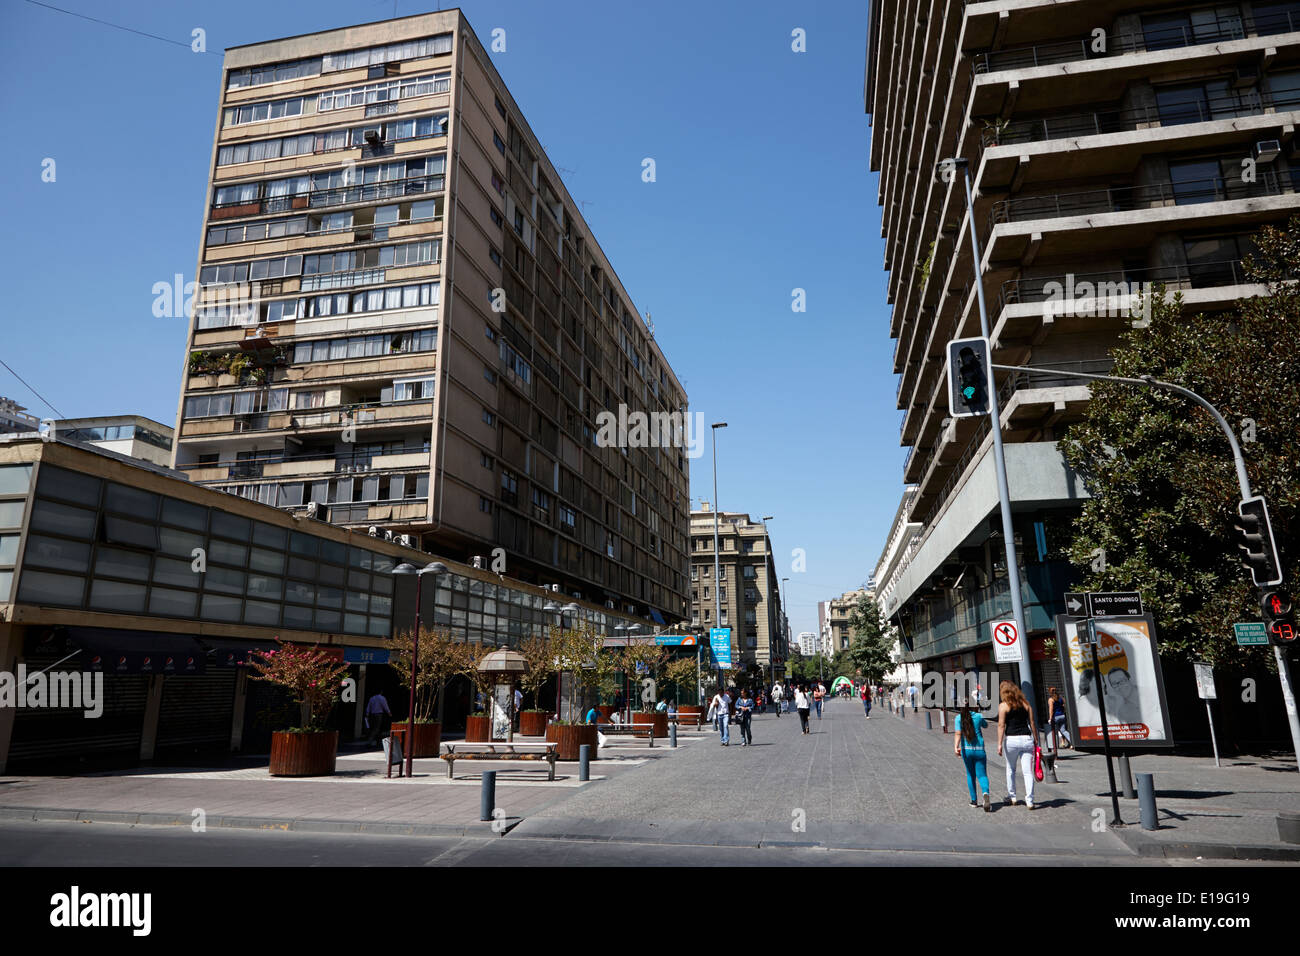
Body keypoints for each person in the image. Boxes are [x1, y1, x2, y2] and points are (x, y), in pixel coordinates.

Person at [997, 680, 1041, 809]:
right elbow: (1032, 723)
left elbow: (1001, 725)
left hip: (1011, 740)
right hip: (1027, 739)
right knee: (1027, 772)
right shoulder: (1026, 704)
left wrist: (999, 743)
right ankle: (1030, 800)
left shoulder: (1003, 706)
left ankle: (1013, 796)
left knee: (1011, 769)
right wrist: (1036, 739)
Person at [954, 700, 992, 811]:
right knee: (982, 775)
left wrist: (956, 747)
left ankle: (974, 801)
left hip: (967, 750)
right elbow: (986, 725)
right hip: (979, 750)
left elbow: (958, 733)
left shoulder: (958, 718)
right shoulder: (979, 716)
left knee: (970, 775)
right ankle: (985, 793)